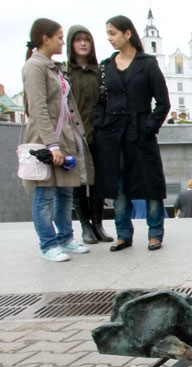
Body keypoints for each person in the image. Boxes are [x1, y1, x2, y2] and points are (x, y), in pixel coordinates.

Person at [92, 15, 170, 252]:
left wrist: (149, 126)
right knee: (118, 186)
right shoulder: (106, 66)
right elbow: (99, 102)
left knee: (151, 184)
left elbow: (163, 103)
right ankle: (123, 234)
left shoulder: (147, 64)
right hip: (112, 135)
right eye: (107, 34)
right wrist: (101, 124)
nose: (109, 38)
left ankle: (155, 234)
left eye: (113, 33)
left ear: (127, 34)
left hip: (141, 134)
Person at [21, 18, 91, 262]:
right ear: (45, 38)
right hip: (46, 140)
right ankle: (48, 244)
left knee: (65, 192)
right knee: (45, 194)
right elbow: (38, 108)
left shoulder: (55, 67)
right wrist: (51, 144)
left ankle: (65, 238)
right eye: (60, 37)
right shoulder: (35, 66)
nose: (63, 42)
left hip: (65, 138)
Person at [65, 24, 112, 244]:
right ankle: (85, 226)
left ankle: (98, 224)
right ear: (71, 44)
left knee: (97, 183)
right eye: (78, 40)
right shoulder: (65, 72)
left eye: (87, 40)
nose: (83, 44)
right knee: (77, 184)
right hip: (74, 136)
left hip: (97, 135)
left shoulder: (99, 72)